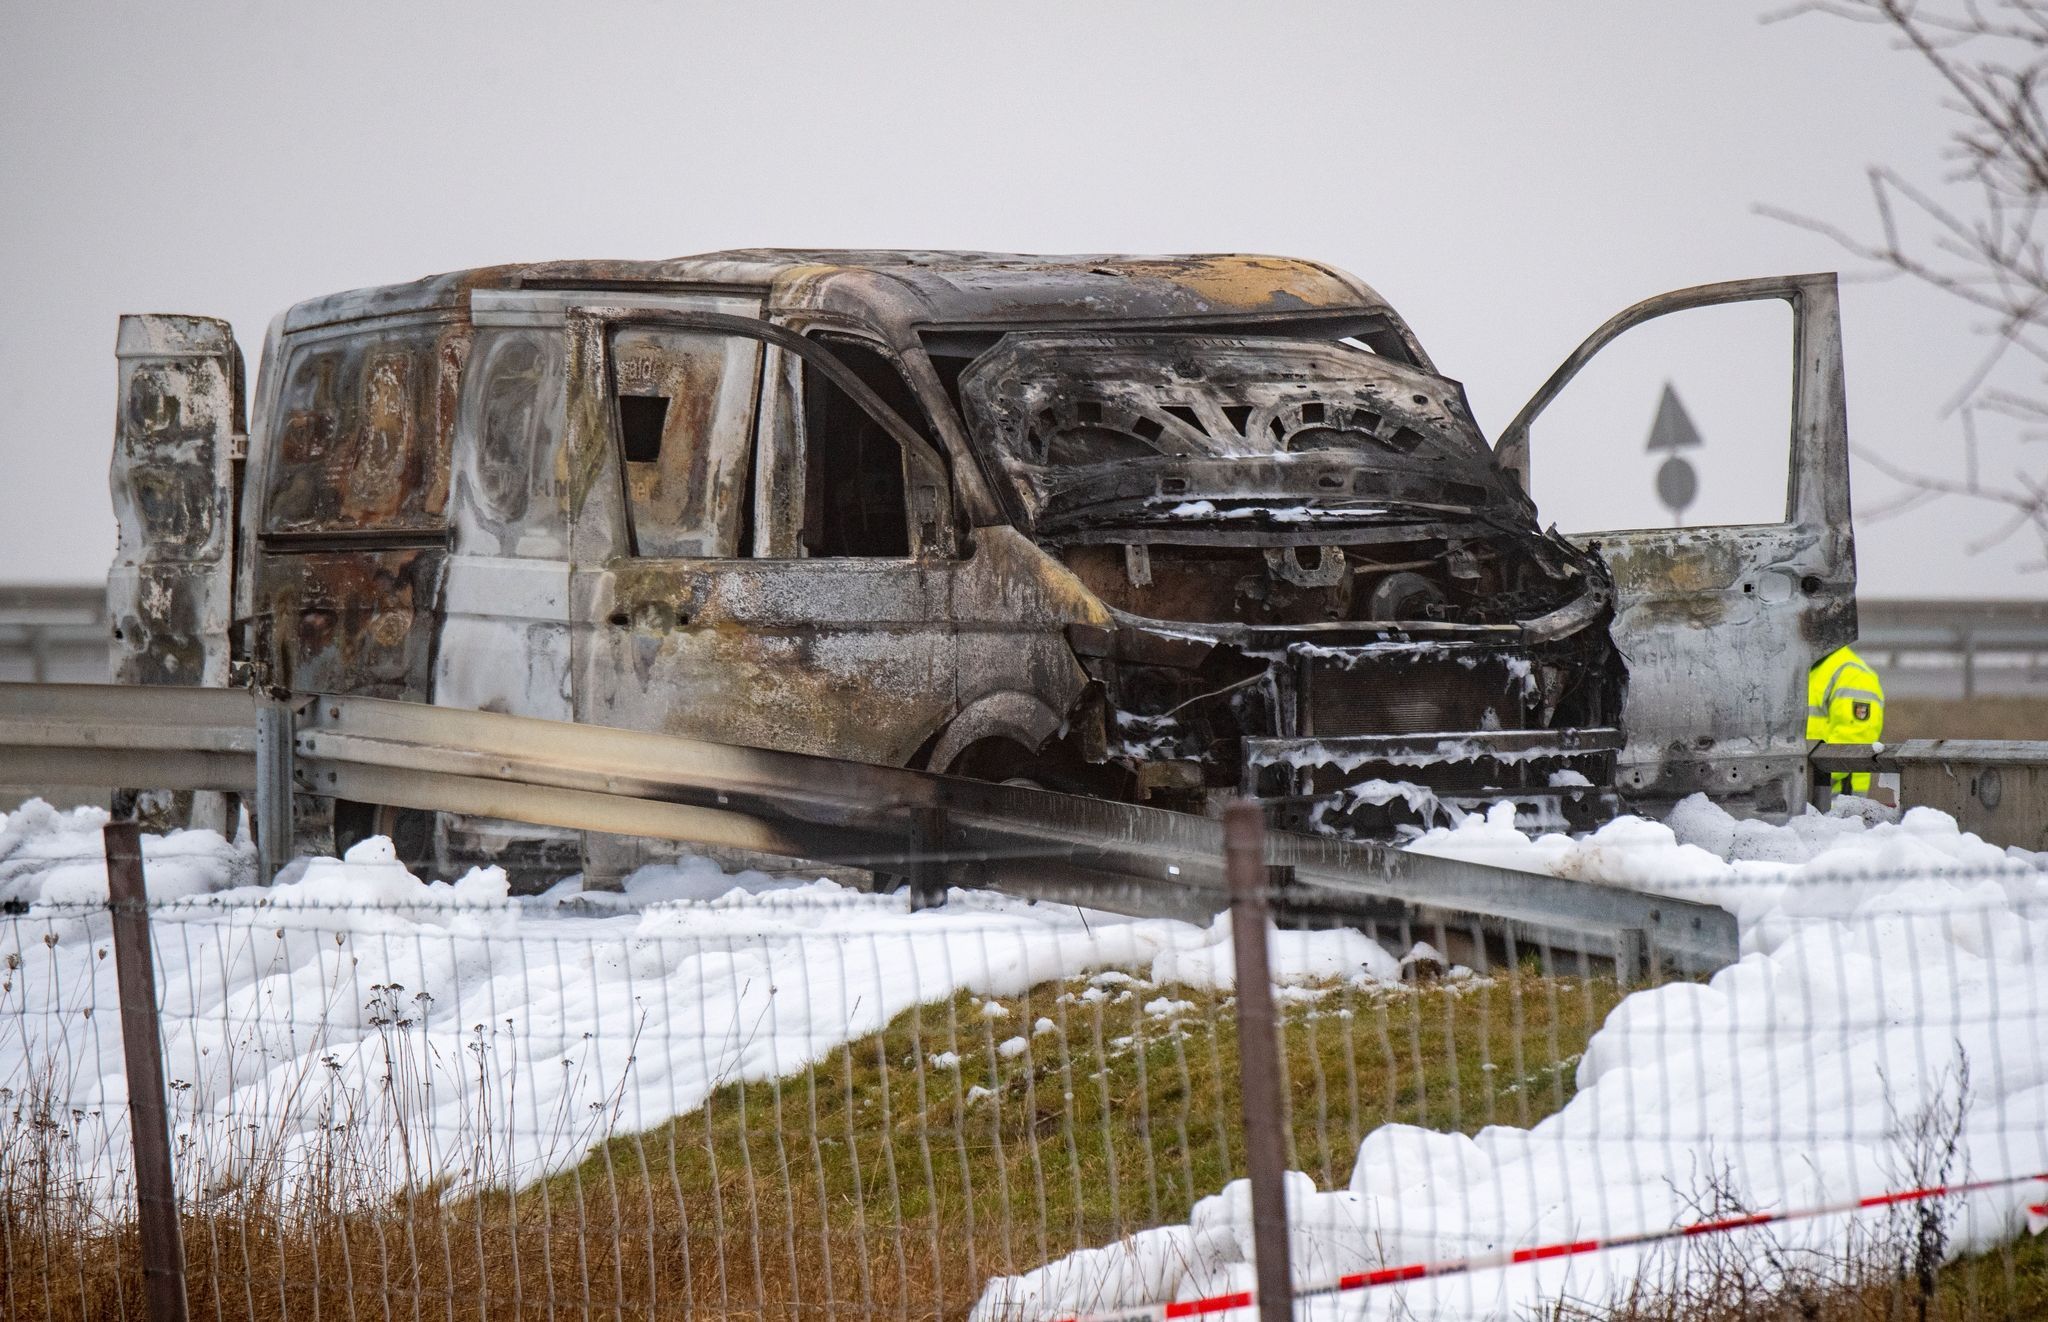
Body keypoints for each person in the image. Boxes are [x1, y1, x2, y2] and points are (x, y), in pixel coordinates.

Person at [1807, 645, 1885, 794]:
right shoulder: (1808, 668)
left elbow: (1853, 742)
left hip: (1839, 799)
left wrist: (1804, 782)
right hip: (1810, 796)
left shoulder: (1852, 674)